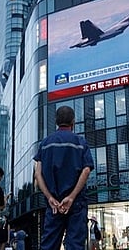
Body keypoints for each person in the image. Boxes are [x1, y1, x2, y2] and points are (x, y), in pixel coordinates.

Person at [34, 106, 94, 250]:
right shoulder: (80, 142)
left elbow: (38, 173)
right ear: (73, 122)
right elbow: (86, 170)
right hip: (76, 203)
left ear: (56, 122)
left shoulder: (45, 143)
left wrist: (49, 198)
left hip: (54, 203)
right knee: (75, 245)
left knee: (49, 245)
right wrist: (72, 197)